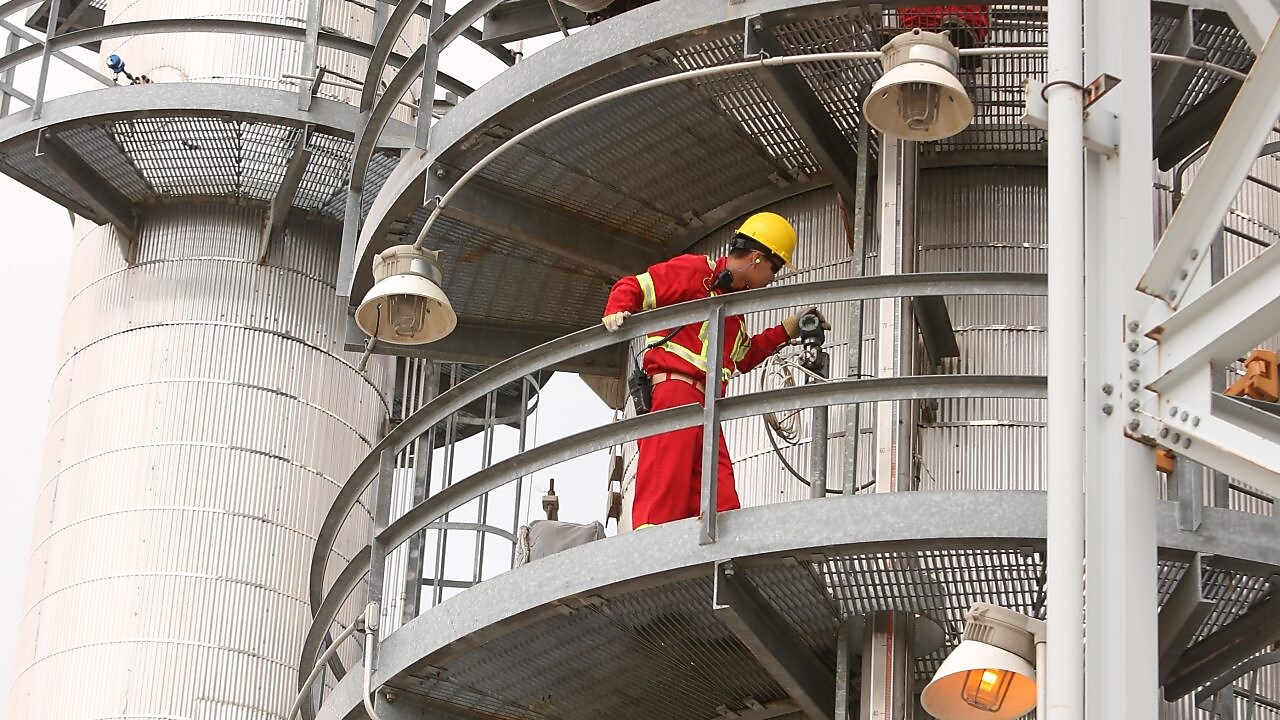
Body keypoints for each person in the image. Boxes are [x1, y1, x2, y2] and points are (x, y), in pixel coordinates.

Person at [601, 211, 821, 528]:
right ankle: (653, 558)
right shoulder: (695, 271)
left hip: (708, 409)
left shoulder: (733, 314)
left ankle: (718, 563)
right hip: (675, 393)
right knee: (665, 491)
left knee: (721, 501)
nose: (772, 279)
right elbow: (634, 286)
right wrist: (616, 308)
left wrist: (789, 329)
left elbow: (745, 357)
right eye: (774, 269)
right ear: (758, 260)